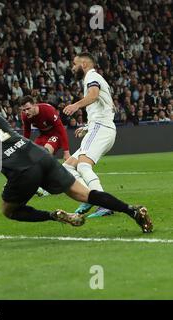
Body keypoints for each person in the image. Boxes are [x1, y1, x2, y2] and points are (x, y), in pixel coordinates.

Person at [0, 94, 152, 233]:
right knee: (83, 194)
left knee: (8, 210)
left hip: (22, 171)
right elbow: (0, 141)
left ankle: (53, 215)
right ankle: (132, 210)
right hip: (40, 156)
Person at [63, 52, 117, 218]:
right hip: (100, 127)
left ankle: (103, 203)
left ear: (84, 64)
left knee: (83, 165)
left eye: (74, 63)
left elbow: (93, 96)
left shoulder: (91, 76)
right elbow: (110, 106)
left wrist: (75, 106)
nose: (73, 67)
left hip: (101, 128)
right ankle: (90, 197)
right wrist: (88, 126)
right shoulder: (98, 78)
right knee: (67, 167)